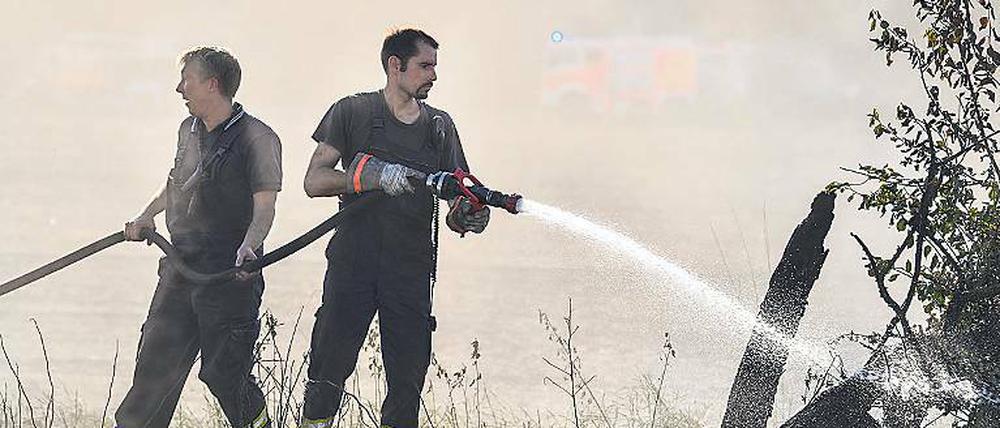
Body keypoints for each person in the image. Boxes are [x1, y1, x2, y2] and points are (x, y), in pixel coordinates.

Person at [300, 28, 489, 428]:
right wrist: (372, 177)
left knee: (406, 385)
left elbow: (457, 196)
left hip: (410, 270)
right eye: (425, 66)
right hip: (353, 266)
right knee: (327, 374)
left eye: (435, 67)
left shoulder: (440, 126)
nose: (433, 76)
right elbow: (314, 180)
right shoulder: (352, 112)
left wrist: (466, 216)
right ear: (394, 66)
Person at [114, 46, 282, 428]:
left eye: (186, 80)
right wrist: (144, 217)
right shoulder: (187, 129)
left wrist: (250, 247)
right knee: (152, 375)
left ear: (212, 84)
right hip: (180, 267)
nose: (179, 89)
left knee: (224, 375)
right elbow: (176, 181)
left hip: (228, 276)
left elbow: (265, 207)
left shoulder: (259, 138)